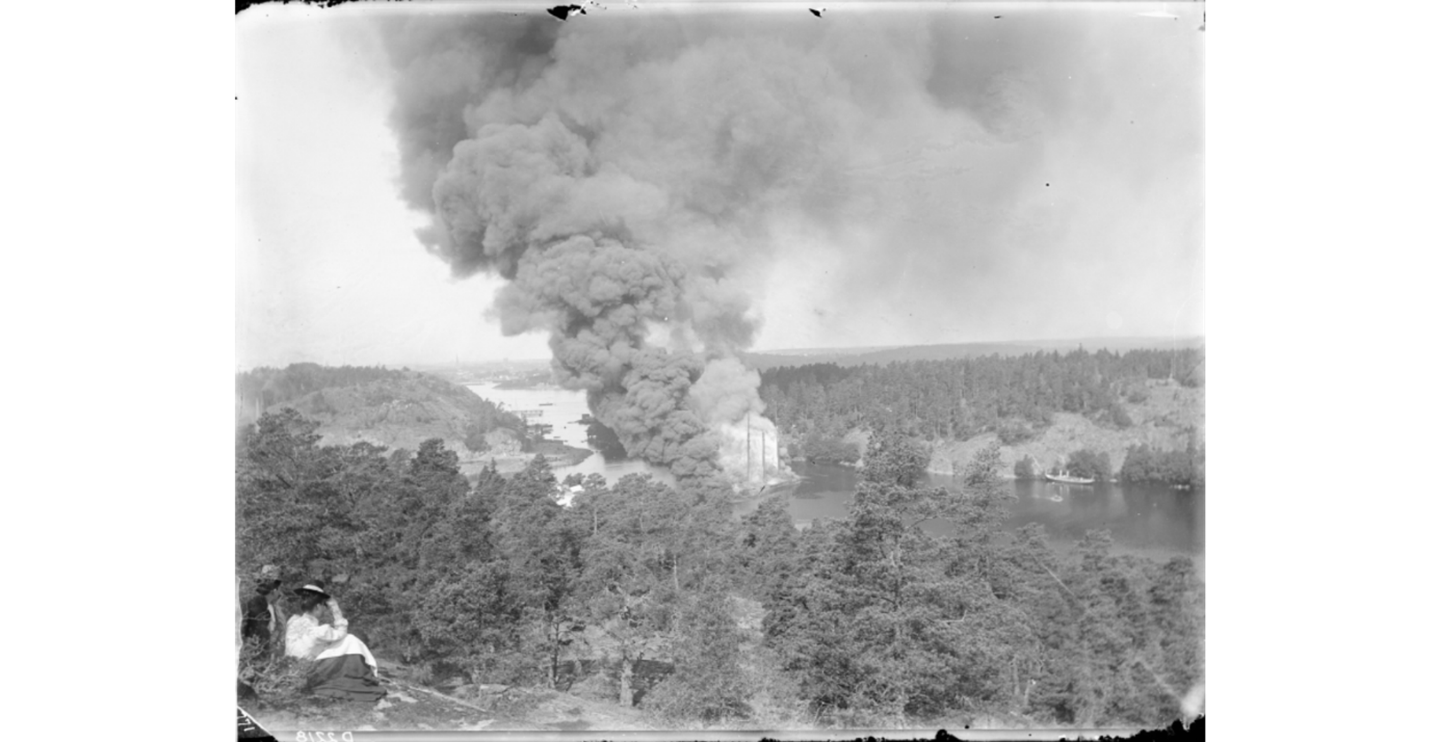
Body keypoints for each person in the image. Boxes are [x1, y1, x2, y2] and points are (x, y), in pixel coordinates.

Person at [284, 582, 386, 702]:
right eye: (323, 606)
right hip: (307, 671)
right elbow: (342, 631)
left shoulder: (293, 621)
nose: (324, 609)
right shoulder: (320, 631)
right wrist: (335, 607)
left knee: (337, 644)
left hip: (290, 668)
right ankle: (360, 676)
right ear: (317, 607)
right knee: (350, 639)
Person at [241, 566, 285, 650]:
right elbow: (261, 636)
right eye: (279, 588)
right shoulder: (258, 607)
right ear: (275, 590)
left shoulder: (271, 606)